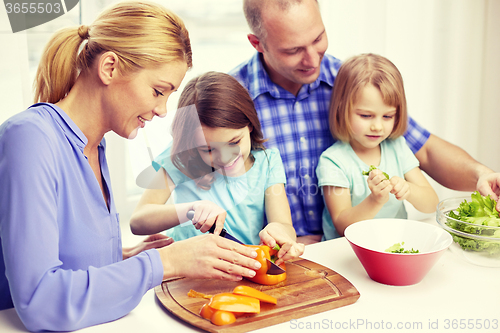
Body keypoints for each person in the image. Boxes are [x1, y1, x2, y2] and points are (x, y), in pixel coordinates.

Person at [0, 2, 261, 331]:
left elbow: (67, 258)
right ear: (109, 68)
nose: (163, 110)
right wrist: (163, 263)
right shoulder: (30, 137)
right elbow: (40, 300)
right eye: (157, 91)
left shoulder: (96, 147)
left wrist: (124, 257)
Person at [230, 0, 500, 244]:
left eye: (318, 38)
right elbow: (194, 181)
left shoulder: (352, 83)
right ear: (258, 44)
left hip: (350, 249)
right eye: (293, 50)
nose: (313, 59)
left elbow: (425, 148)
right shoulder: (229, 97)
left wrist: (481, 175)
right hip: (272, 253)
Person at [130, 71, 304, 262]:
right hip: (188, 268)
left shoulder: (267, 163)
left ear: (250, 125)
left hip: (244, 267)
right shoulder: (180, 158)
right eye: (208, 150)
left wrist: (279, 230)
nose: (225, 158)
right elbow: (138, 221)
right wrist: (191, 209)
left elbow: (285, 225)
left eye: (234, 142)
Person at [316, 54, 439, 239]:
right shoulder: (333, 161)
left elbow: (432, 204)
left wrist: (409, 189)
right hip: (345, 252)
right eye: (366, 116)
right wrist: (375, 200)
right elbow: (342, 225)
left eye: (388, 116)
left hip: (394, 245)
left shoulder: (397, 147)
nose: (378, 126)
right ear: (342, 109)